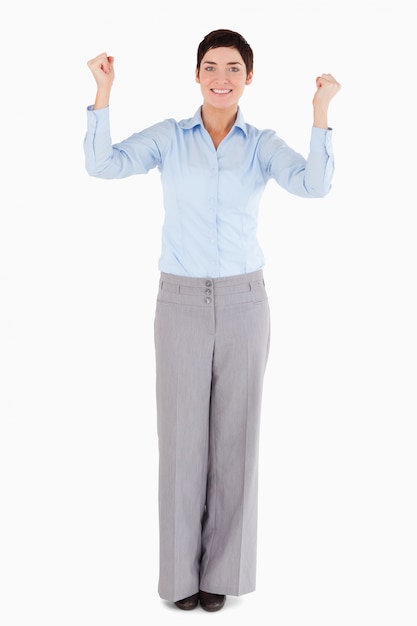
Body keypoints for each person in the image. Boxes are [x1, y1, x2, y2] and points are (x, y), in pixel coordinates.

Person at [84, 28, 341, 612]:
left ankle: (221, 574)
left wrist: (321, 114)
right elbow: (103, 165)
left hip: (246, 303)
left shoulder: (261, 144)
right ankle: (179, 577)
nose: (220, 76)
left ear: (249, 78)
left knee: (236, 441)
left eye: (232, 67)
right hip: (178, 303)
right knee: (180, 442)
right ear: (196, 75)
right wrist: (102, 93)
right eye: (209, 66)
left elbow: (314, 184)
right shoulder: (171, 139)